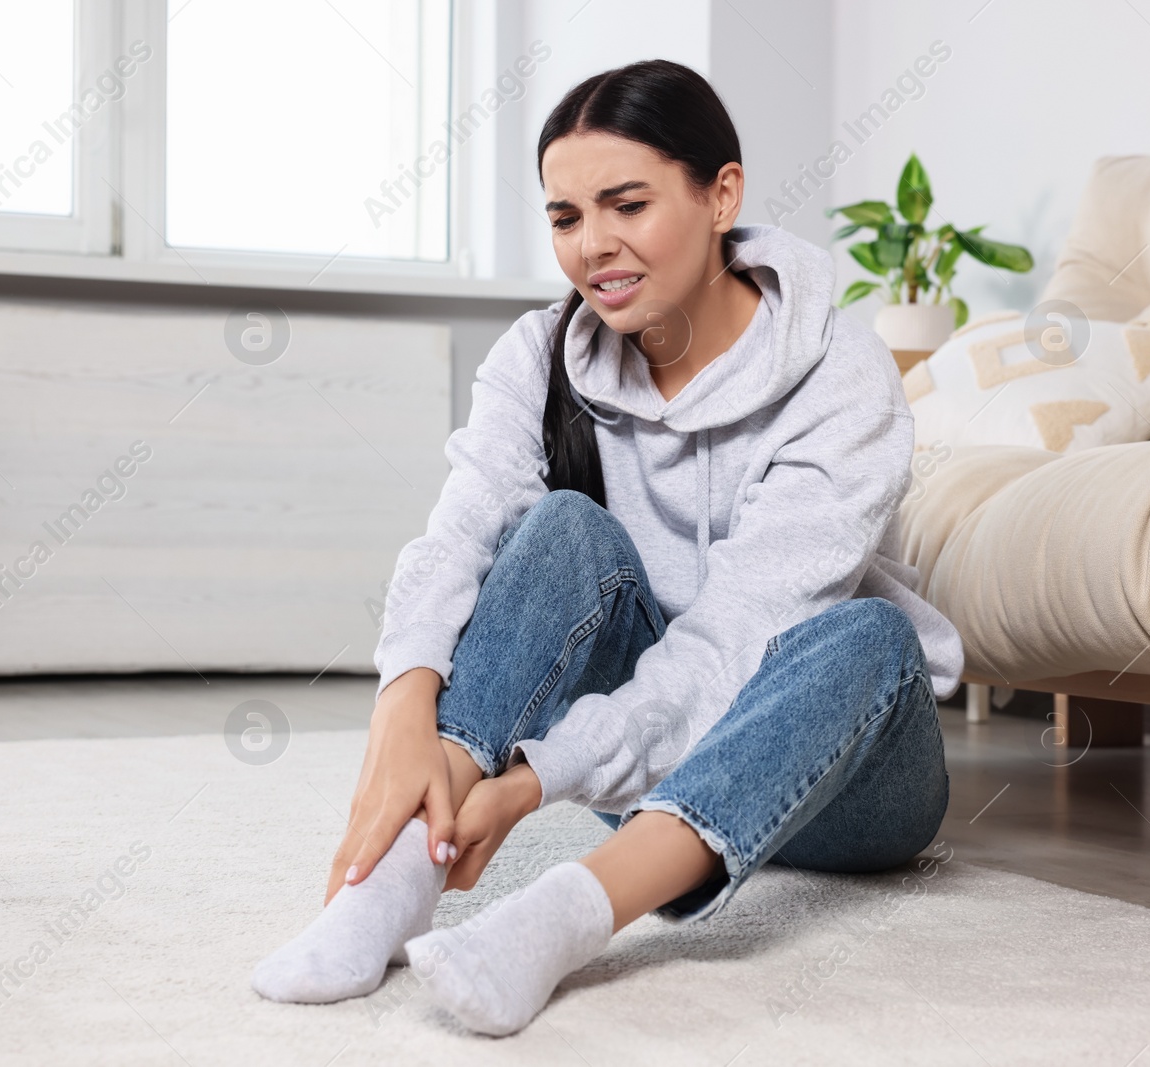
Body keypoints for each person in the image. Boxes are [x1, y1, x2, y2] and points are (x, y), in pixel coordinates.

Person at [251, 57, 963, 1037]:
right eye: (565, 217)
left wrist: (537, 780)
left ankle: (557, 920)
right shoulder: (541, 352)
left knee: (869, 633)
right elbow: (458, 530)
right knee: (557, 528)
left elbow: (731, 644)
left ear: (722, 195)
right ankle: (391, 885)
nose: (594, 246)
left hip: (845, 772)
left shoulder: (840, 373)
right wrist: (402, 704)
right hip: (649, 745)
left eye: (626, 204)